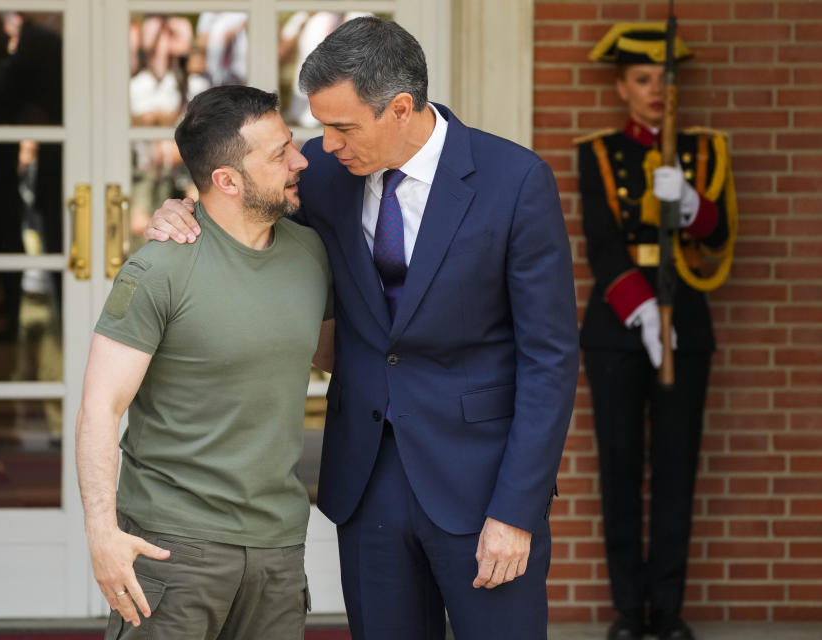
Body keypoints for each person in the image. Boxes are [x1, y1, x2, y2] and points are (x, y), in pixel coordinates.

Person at [146, 17, 578, 640]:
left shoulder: (516, 182)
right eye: (319, 125)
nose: (325, 143)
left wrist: (516, 509)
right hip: (367, 480)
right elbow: (235, 201)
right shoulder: (323, 172)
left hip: (482, 484)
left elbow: (551, 359)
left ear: (401, 108)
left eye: (343, 126)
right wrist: (178, 213)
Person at [76, 85, 334, 639]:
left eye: (291, 144)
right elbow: (101, 407)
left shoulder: (311, 253)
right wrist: (102, 534)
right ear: (227, 181)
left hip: (278, 548)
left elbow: (344, 356)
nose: (299, 161)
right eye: (279, 154)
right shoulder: (159, 270)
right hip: (174, 549)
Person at [575, 24, 737, 640]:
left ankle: (667, 609)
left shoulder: (702, 152)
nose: (655, 91)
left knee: (677, 467)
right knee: (620, 466)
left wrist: (692, 204)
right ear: (621, 86)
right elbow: (601, 241)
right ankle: (627, 610)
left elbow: (720, 238)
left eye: (664, 79)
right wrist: (641, 311)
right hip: (620, 328)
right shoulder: (597, 152)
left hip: (686, 323)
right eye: (642, 79)